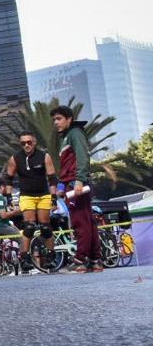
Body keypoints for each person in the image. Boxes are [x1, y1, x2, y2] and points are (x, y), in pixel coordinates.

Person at [51, 105, 102, 272]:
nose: (55, 123)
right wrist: (61, 185)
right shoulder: (68, 136)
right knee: (88, 220)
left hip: (76, 184)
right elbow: (66, 165)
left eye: (59, 119)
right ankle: (95, 260)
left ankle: (79, 260)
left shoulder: (75, 133)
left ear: (69, 119)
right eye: (54, 120)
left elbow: (83, 156)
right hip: (73, 183)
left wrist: (79, 180)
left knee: (80, 221)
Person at [5, 130, 58, 269]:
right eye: (23, 143)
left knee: (45, 227)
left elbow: (52, 178)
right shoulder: (15, 158)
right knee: (29, 227)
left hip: (43, 195)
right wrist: (8, 197)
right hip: (26, 195)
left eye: (29, 142)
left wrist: (54, 197)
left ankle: (51, 256)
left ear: (34, 142)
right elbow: (8, 178)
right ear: (20, 144)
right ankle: (25, 258)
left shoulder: (44, 156)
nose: (26, 145)